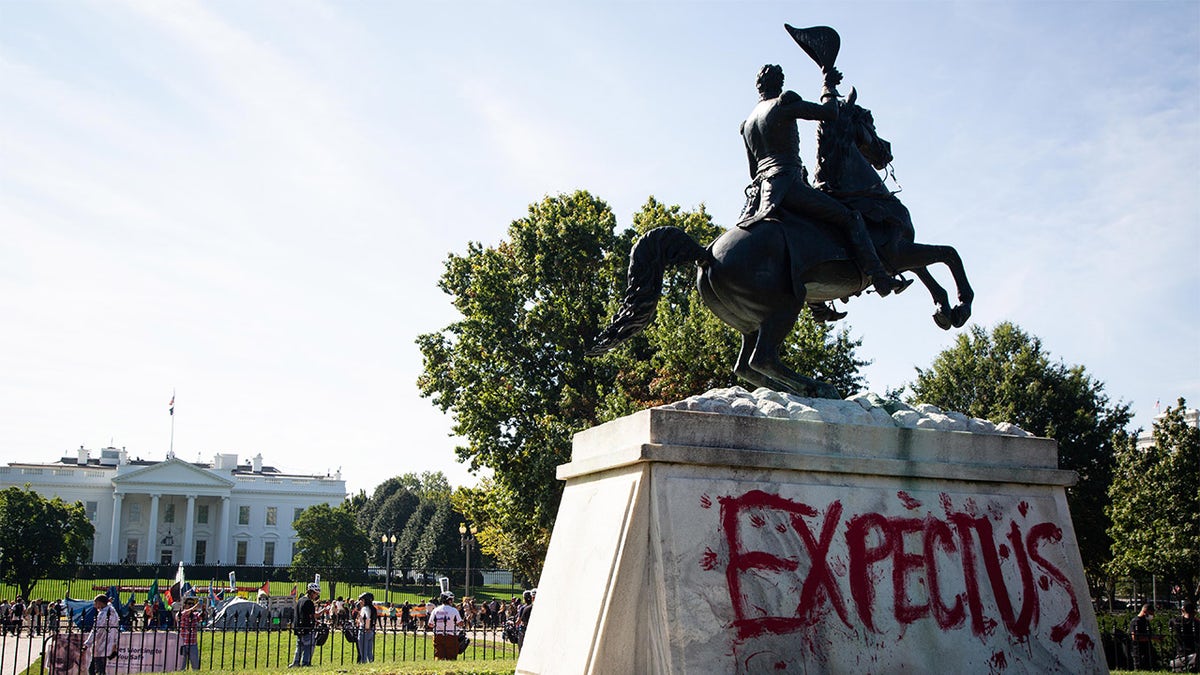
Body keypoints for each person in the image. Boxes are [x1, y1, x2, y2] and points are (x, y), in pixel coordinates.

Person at [737, 63, 909, 298]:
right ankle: (880, 278)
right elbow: (829, 113)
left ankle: (819, 305)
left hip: (762, 192)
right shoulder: (783, 103)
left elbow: (753, 170)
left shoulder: (746, 124)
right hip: (789, 184)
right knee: (851, 217)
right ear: (779, 83)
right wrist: (828, 84)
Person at [82, 594, 119, 675]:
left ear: (100, 603)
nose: (95, 606)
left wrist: (87, 643)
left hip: (101, 642)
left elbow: (96, 630)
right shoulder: (112, 611)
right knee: (99, 667)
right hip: (109, 641)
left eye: (96, 603)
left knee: (96, 668)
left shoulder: (103, 614)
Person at [289, 582, 320, 668]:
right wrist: (322, 612)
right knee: (309, 646)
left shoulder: (300, 600)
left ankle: (296, 662)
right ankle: (306, 662)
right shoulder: (309, 602)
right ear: (312, 592)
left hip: (299, 627)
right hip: (307, 627)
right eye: (316, 594)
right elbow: (313, 615)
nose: (316, 596)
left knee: (299, 646)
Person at [428, 593, 463, 660]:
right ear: (449, 600)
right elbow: (460, 623)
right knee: (451, 656)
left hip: (438, 635)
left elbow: (430, 624)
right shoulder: (454, 610)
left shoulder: (435, 610)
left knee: (439, 655)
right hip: (451, 635)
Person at [1170, 601, 1199, 672]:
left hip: (1181, 652)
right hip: (1194, 651)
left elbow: (1171, 622)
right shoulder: (1196, 623)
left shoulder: (1176, 622)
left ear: (1183, 610)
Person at [176, 597, 202, 670]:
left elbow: (202, 619)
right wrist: (193, 608)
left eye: (192, 604)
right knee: (181, 666)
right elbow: (183, 614)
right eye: (189, 604)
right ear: (184, 605)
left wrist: (203, 610)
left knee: (196, 665)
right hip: (182, 643)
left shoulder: (195, 615)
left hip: (193, 643)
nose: (191, 605)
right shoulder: (180, 613)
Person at [1131, 603, 1156, 670]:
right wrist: (1152, 638)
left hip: (1147, 649)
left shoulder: (1146, 621)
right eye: (1151, 613)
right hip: (1139, 651)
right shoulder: (1136, 621)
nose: (1152, 616)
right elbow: (1135, 637)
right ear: (1145, 611)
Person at [355, 593, 377, 663]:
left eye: (361, 600)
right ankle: (370, 662)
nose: (360, 601)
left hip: (364, 630)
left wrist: (366, 627)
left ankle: (364, 663)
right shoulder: (372, 608)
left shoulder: (365, 608)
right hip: (370, 631)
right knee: (369, 651)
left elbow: (367, 619)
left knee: (363, 651)